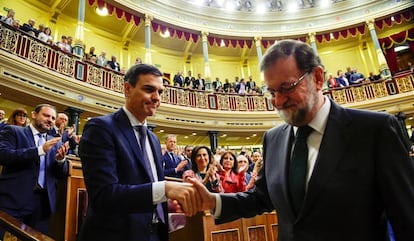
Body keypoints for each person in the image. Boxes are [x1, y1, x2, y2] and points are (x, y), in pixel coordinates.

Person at [191, 39, 414, 241]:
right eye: (271, 92)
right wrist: (213, 201)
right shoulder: (273, 138)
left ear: (317, 78)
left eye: (287, 88)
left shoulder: (374, 130)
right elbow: (262, 197)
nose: (278, 101)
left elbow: (407, 216)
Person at [77, 64, 201, 241]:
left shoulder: (154, 140)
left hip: (155, 233)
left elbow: (148, 188)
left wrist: (168, 203)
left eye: (160, 92)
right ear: (127, 88)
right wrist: (165, 189)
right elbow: (104, 196)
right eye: (149, 89)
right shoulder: (100, 128)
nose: (156, 98)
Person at [0, 104, 69, 235]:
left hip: (43, 204)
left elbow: (60, 174)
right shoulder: (14, 131)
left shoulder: (55, 142)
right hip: (13, 200)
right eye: (46, 115)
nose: (50, 120)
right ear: (34, 115)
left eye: (53, 118)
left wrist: (61, 160)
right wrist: (40, 150)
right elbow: (4, 156)